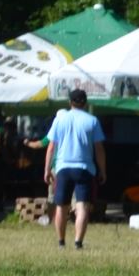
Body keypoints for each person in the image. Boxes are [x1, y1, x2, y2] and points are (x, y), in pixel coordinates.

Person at [43, 83, 107, 250]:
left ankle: (61, 242)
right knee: (83, 206)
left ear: (70, 102)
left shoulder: (60, 119)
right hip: (85, 168)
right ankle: (78, 242)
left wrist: (47, 169)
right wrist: (102, 170)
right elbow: (99, 148)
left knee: (61, 207)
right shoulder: (92, 121)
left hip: (63, 168)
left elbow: (51, 147)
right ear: (85, 103)